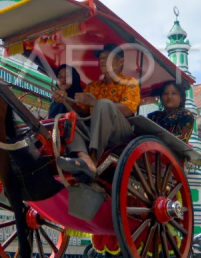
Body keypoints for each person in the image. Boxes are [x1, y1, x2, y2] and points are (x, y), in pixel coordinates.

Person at [54, 43, 140, 178]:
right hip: (94, 130)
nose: (103, 61)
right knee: (69, 117)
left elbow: (128, 110)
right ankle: (84, 157)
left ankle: (94, 158)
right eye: (101, 58)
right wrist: (66, 100)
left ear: (121, 61)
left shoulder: (130, 82)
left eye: (108, 57)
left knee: (103, 104)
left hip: (120, 134)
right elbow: (82, 113)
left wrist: (94, 103)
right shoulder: (92, 86)